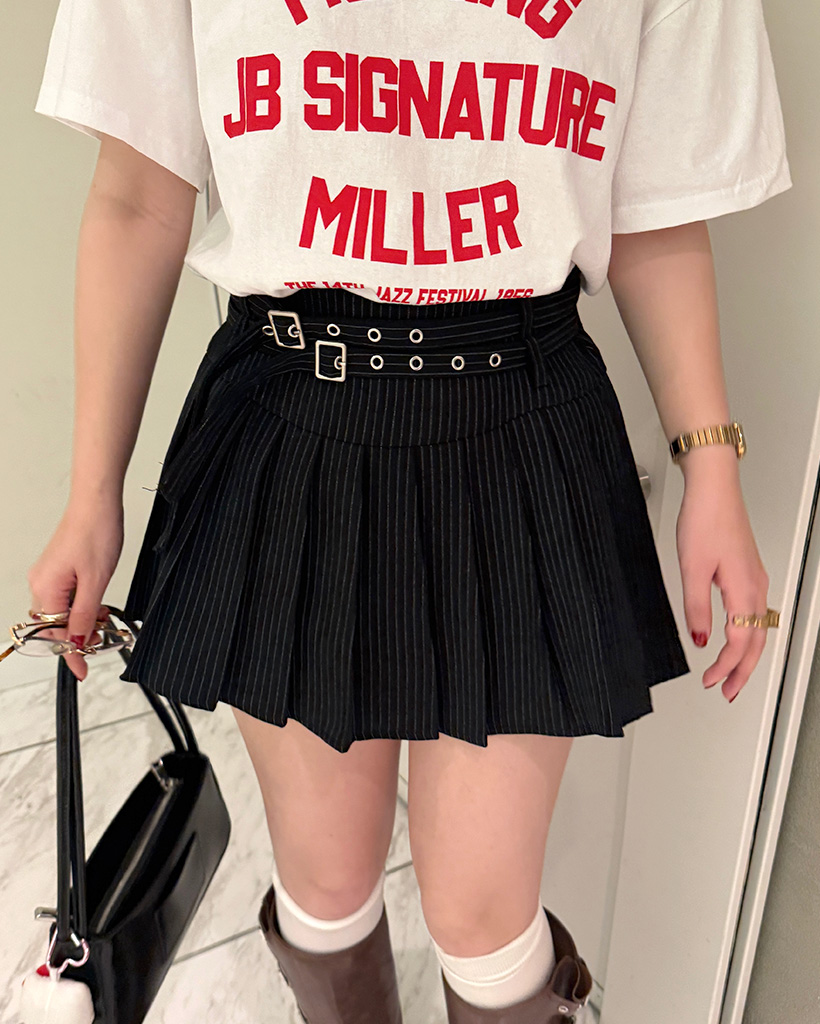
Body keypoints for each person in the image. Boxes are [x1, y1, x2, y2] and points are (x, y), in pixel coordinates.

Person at [28, 0, 790, 1020]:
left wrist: (712, 466)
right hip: (291, 417)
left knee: (484, 915)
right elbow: (138, 197)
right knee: (325, 879)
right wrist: (92, 494)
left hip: (521, 422)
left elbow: (656, 205)